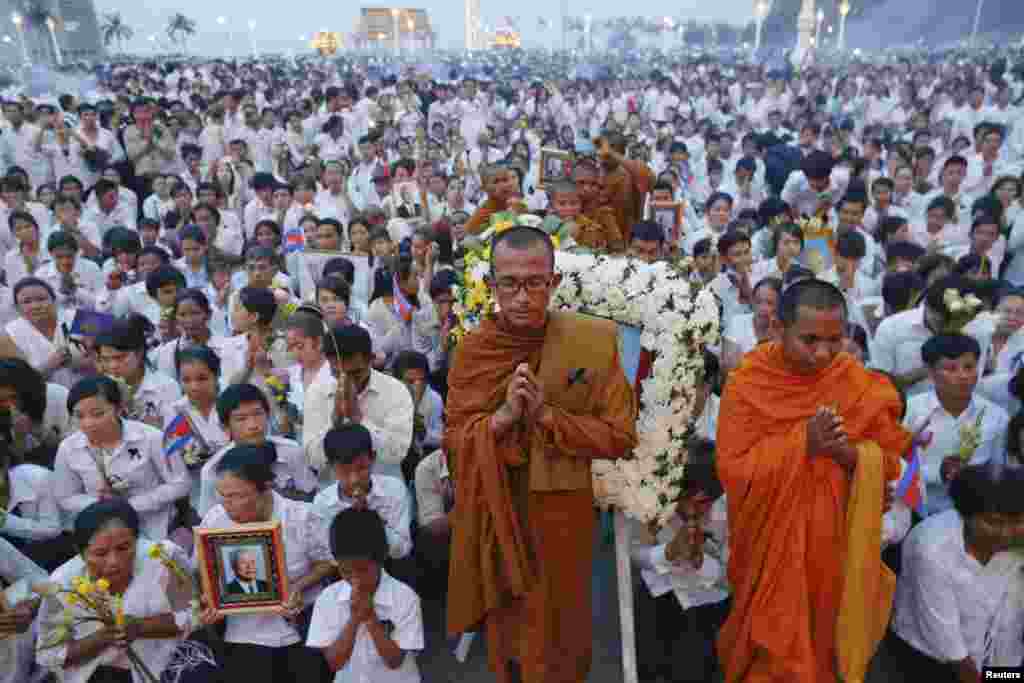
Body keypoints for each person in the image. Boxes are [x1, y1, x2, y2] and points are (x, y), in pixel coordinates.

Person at [446, 226, 637, 683]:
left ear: (553, 283)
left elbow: (620, 434)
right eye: (509, 284)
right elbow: (455, 440)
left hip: (562, 516)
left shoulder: (591, 340)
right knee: (513, 639)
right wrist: (505, 417)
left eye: (535, 282)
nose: (522, 296)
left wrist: (548, 418)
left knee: (562, 635)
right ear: (491, 287)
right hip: (500, 510)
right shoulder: (476, 350)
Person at [716, 278, 912, 683]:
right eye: (809, 340)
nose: (823, 353)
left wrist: (847, 454)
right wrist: (803, 441)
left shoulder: (854, 380)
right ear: (777, 328)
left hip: (838, 544)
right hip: (771, 546)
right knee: (774, 655)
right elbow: (735, 471)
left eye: (834, 340)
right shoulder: (748, 384)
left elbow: (891, 462)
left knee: (828, 650)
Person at [35, 499, 214, 683]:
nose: (114, 561)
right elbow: (49, 654)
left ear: (137, 541)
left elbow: (194, 613)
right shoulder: (63, 584)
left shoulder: (162, 557)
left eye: (124, 548)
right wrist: (101, 638)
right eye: (100, 553)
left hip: (168, 662)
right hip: (100, 673)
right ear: (80, 553)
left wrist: (141, 627)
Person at [197, 446, 335, 683]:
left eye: (238, 496)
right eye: (223, 496)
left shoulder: (301, 517)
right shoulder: (216, 519)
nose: (228, 505)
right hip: (243, 633)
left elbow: (328, 563)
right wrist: (209, 599)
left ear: (266, 488)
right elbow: (208, 572)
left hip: (299, 630)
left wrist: (299, 586)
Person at [887, 463, 1024, 680]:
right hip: (931, 661)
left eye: (1015, 522)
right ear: (966, 515)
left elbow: (1009, 631)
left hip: (993, 655)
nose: (1006, 534)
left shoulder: (1017, 544)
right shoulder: (932, 549)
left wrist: (1006, 676)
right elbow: (956, 657)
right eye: (994, 523)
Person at [631, 438, 729, 683]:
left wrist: (700, 562)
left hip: (707, 611)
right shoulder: (654, 497)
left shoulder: (729, 509)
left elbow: (734, 576)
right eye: (687, 500)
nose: (694, 511)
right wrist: (668, 553)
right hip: (656, 600)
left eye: (704, 503)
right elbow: (634, 552)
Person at [54, 376, 190, 541]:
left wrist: (134, 504)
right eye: (79, 416)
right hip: (106, 533)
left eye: (98, 414)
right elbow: (65, 496)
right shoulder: (68, 448)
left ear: (118, 409)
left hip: (158, 529)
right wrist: (99, 505)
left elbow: (181, 483)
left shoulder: (151, 437)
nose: (88, 423)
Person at [307, 507, 424, 683]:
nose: (356, 580)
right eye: (346, 571)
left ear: (381, 558)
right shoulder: (327, 599)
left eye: (363, 570)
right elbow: (334, 663)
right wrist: (354, 619)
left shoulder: (405, 598)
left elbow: (394, 661)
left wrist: (370, 618)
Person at [903, 333, 1009, 517]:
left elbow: (999, 471)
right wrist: (938, 473)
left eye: (969, 367)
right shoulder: (910, 411)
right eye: (951, 369)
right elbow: (895, 466)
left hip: (974, 515)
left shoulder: (996, 416)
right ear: (930, 372)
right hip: (917, 513)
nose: (963, 376)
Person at [197, 384, 317, 517]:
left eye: (258, 414)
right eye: (241, 419)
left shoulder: (290, 452)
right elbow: (209, 523)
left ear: (268, 415)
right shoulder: (213, 471)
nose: (253, 425)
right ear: (225, 426)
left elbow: (310, 496)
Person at [310, 424, 413, 570]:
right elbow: (325, 556)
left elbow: (402, 550)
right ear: (331, 466)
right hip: (344, 574)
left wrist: (372, 520)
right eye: (344, 471)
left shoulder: (393, 490)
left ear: (373, 458)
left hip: (390, 568)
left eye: (361, 468)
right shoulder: (323, 503)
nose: (354, 479)